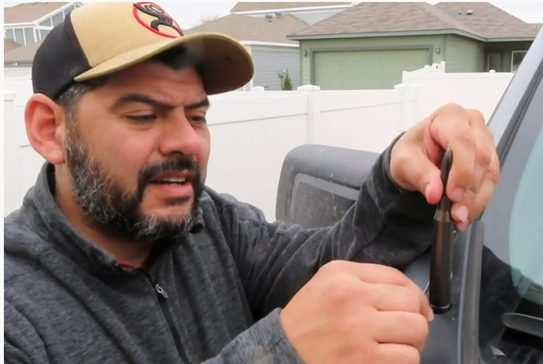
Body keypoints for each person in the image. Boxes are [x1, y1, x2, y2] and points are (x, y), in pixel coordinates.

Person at [4, 2, 500, 363]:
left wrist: (404, 179)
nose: (186, 142)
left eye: (196, 117)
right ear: (51, 130)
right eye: (142, 115)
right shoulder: (17, 315)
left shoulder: (211, 226)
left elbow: (330, 266)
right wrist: (278, 354)